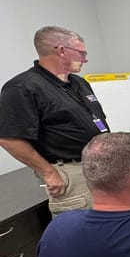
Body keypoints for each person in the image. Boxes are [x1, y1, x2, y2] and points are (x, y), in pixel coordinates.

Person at [0, 26, 109, 215]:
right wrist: (48, 172)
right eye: (81, 53)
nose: (86, 59)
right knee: (79, 231)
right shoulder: (22, 88)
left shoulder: (78, 82)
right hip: (70, 171)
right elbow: (9, 138)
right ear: (62, 50)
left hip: (97, 166)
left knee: (105, 224)